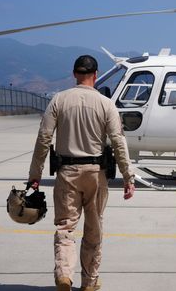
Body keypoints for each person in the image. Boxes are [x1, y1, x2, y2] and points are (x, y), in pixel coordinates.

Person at [28, 55, 135, 291]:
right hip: (96, 173)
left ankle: (64, 274)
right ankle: (89, 282)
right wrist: (128, 177)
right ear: (96, 75)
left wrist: (35, 176)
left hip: (67, 173)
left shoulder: (59, 100)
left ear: (74, 74)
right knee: (93, 229)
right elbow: (118, 141)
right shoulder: (106, 104)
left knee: (65, 226)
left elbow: (44, 138)